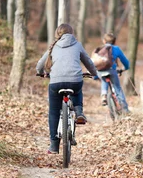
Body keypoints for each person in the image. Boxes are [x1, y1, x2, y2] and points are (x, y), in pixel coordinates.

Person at [36, 24, 98, 154]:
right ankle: (79, 112)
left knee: (53, 111)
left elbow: (40, 64)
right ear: (72, 33)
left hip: (55, 82)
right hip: (74, 81)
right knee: (77, 87)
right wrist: (94, 73)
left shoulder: (53, 47)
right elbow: (88, 62)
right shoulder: (77, 45)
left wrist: (40, 72)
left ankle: (53, 145)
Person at [97, 32, 130, 113]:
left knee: (104, 78)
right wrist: (125, 68)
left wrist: (95, 75)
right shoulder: (116, 49)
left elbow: (95, 63)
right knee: (118, 88)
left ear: (104, 41)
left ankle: (104, 95)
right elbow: (126, 62)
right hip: (112, 70)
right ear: (114, 42)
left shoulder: (99, 49)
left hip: (100, 71)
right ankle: (125, 109)